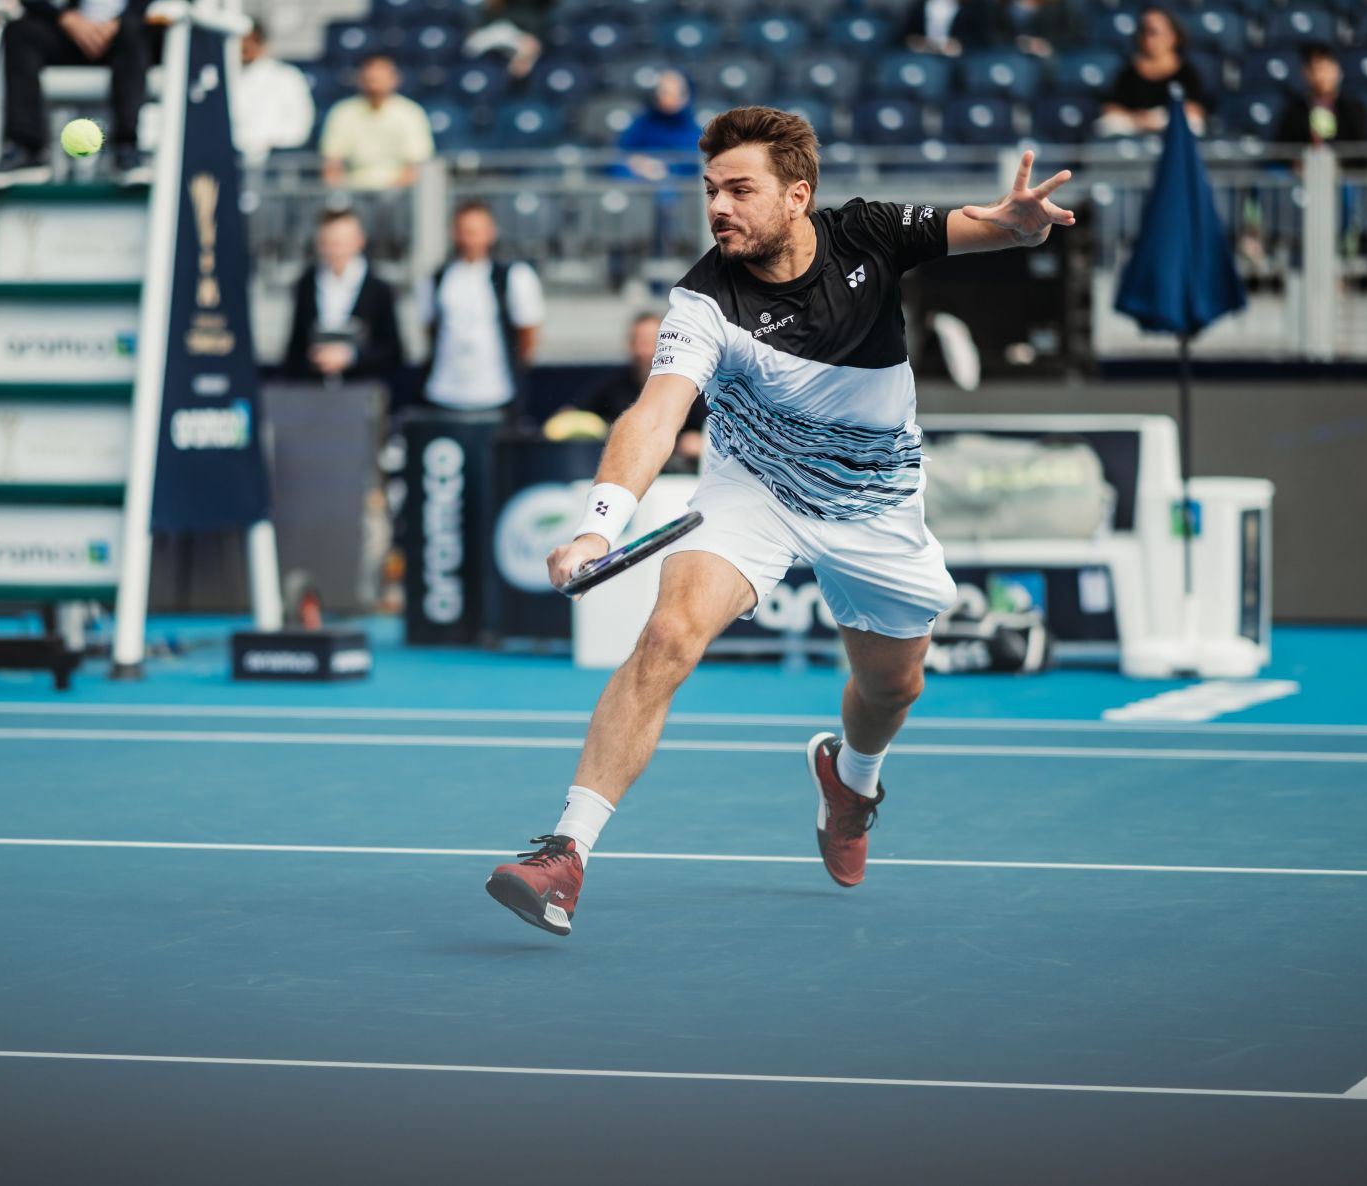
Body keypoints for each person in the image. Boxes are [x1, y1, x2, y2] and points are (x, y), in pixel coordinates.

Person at [484, 107, 1077, 936]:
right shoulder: (702, 301)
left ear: (798, 196)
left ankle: (853, 781)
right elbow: (655, 417)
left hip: (875, 504)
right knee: (668, 636)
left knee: (890, 687)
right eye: (710, 190)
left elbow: (980, 227)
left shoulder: (866, 233)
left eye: (740, 189)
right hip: (751, 491)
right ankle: (565, 855)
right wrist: (599, 524)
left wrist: (1013, 227)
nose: (719, 206)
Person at [0, 0, 154, 181]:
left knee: (133, 32)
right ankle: (26, 148)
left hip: (127, 36)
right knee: (21, 32)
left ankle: (126, 148)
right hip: (71, 33)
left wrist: (118, 23)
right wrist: (66, 18)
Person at [415, 201, 544, 416]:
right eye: (465, 231)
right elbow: (430, 329)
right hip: (444, 392)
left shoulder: (515, 276)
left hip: (497, 393)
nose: (471, 239)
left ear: (491, 233)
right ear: (454, 233)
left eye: (477, 232)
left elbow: (527, 336)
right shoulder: (436, 278)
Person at [551, 313, 705, 473]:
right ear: (630, 345)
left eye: (654, 342)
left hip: (675, 479)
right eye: (640, 342)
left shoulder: (689, 387)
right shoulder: (610, 387)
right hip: (620, 472)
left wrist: (699, 443)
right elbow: (573, 416)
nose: (646, 351)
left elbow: (712, 434)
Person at [282, 209, 404, 387]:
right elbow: (295, 346)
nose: (336, 250)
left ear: (359, 241)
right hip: (314, 392)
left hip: (361, 391)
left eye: (341, 243)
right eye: (329, 243)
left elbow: (392, 349)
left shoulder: (378, 289)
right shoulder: (306, 285)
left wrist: (351, 357)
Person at [319, 54, 435, 192]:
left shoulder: (410, 113)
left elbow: (416, 165)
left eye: (380, 79)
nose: (374, 86)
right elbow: (332, 163)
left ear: (394, 80)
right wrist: (338, 195)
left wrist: (391, 193)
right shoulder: (343, 112)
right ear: (360, 80)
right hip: (353, 191)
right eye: (370, 79)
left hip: (400, 194)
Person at [1100, 6, 1209, 136]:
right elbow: (1111, 107)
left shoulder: (1188, 71)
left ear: (1173, 36)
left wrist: (1160, 116)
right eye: (1143, 32)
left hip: (1171, 122)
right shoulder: (1128, 72)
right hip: (1136, 124)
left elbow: (1197, 109)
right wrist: (1139, 118)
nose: (1148, 38)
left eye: (1154, 32)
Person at [231, 17, 315, 169]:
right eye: (240, 41)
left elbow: (299, 127)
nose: (245, 46)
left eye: (251, 40)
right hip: (232, 159)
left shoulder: (287, 77)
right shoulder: (223, 79)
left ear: (261, 43)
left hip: (278, 163)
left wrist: (266, 144)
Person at [1275, 42, 1367, 170]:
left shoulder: (1354, 110)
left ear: (1336, 70)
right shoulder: (1294, 111)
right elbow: (1281, 152)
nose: (1320, 75)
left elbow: (1363, 155)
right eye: (1314, 69)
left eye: (1324, 67)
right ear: (1305, 73)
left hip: (1344, 181)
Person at [615, 70, 702, 184]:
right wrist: (638, 164)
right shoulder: (641, 125)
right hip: (642, 186)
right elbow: (618, 159)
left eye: (677, 92)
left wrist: (666, 169)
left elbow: (696, 168)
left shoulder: (695, 131)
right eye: (665, 92)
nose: (672, 98)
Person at [901, 0, 994, 56]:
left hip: (961, 63)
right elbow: (905, 36)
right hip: (924, 59)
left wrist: (959, 45)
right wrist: (915, 42)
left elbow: (984, 40)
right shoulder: (919, 7)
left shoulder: (977, 7)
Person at [994, 0, 1079, 59]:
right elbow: (995, 35)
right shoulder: (1002, 7)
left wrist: (1044, 44)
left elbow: (1072, 35)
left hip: (1051, 55)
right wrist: (1018, 43)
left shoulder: (1060, 6)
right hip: (1011, 54)